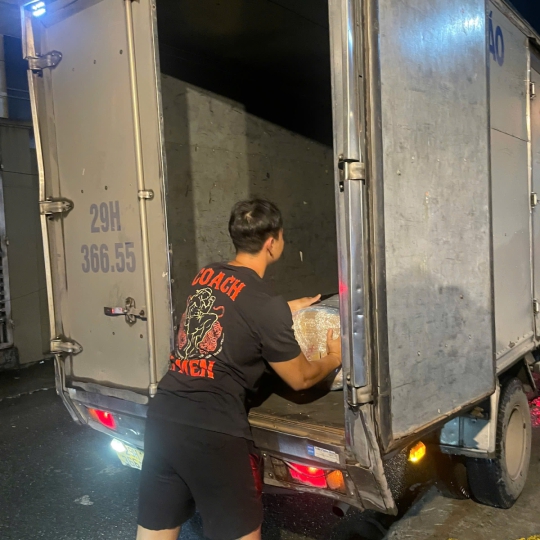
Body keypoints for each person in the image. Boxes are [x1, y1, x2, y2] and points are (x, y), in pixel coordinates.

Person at [137, 199, 342, 540]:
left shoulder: (206, 275)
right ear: (272, 242)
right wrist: (334, 356)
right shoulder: (265, 303)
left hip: (164, 419)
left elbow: (234, 307)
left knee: (155, 532)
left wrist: (285, 309)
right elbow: (301, 377)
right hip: (214, 431)